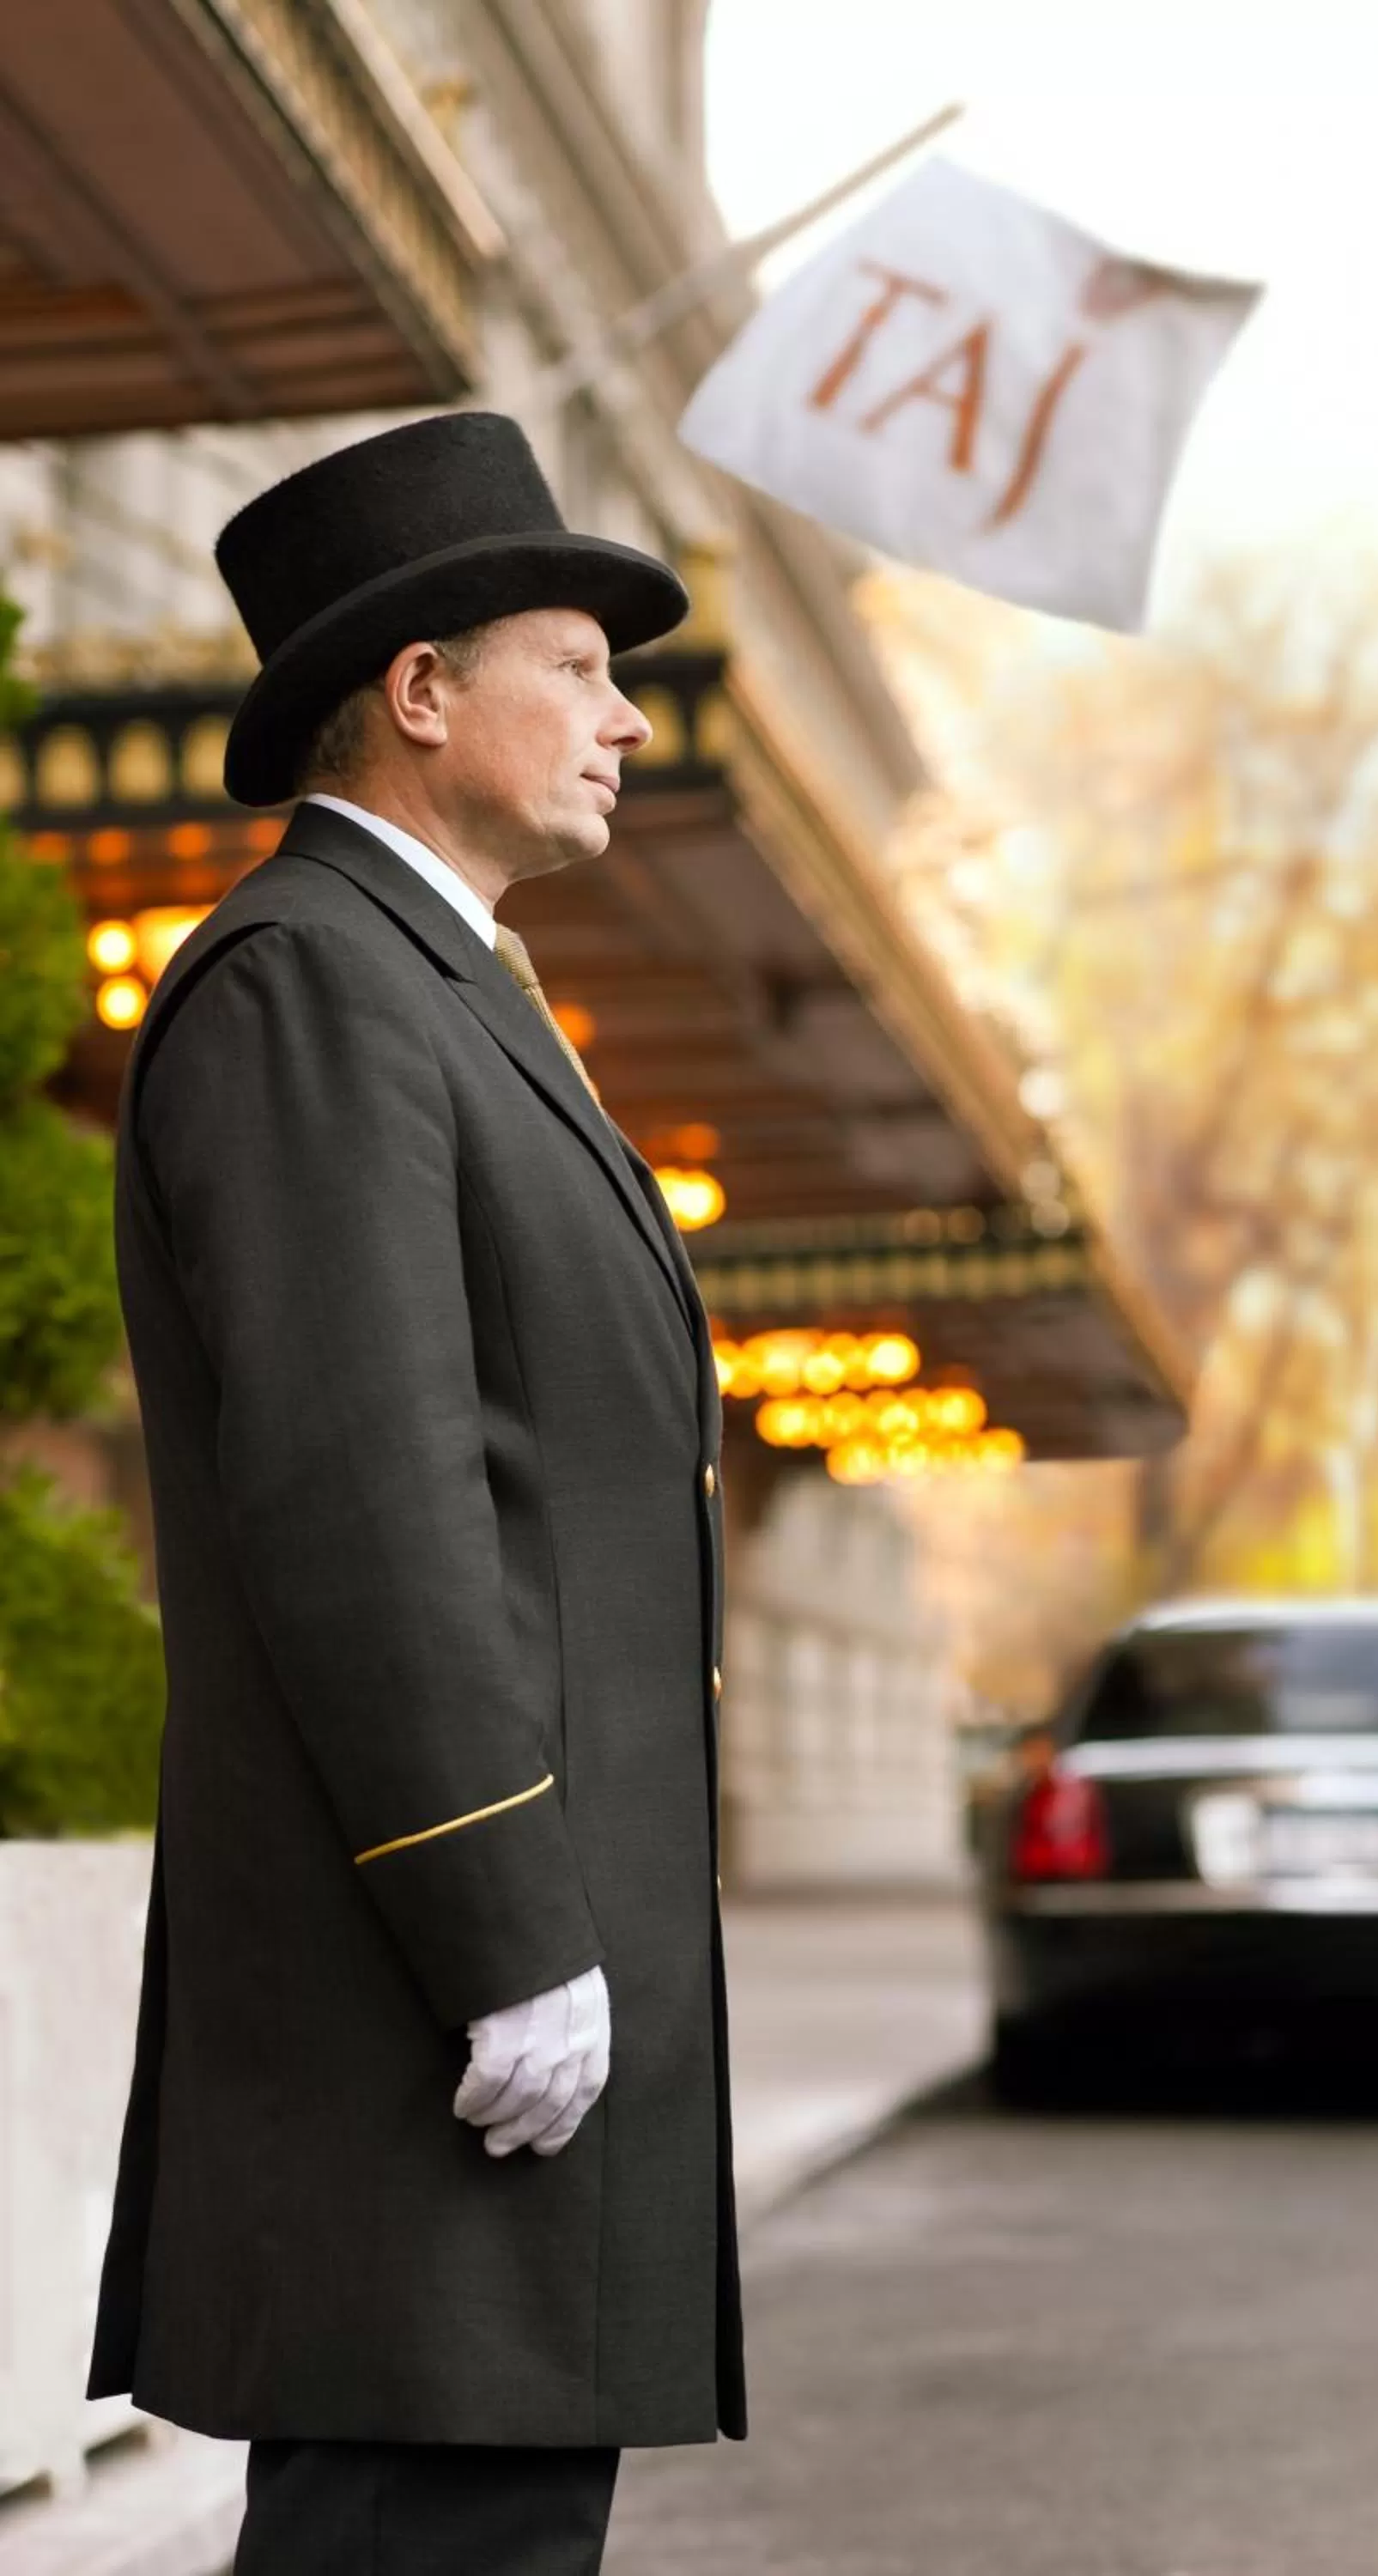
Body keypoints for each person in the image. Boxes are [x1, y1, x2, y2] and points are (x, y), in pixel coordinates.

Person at [88, 411, 745, 2575]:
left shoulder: (433, 980)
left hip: (487, 1991)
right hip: (430, 1995)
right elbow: (359, 1496)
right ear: (424, 691)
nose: (627, 720)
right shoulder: (316, 979)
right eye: (581, 666)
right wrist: (506, 1931)